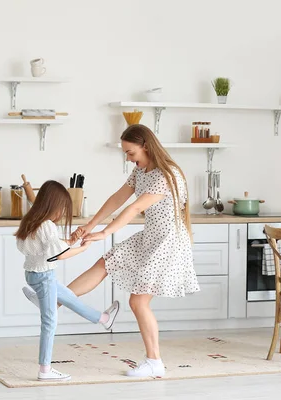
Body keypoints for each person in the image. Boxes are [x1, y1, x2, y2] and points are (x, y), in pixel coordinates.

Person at [67, 123, 200, 378]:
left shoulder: (165, 174)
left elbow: (134, 208)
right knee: (105, 263)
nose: (128, 159)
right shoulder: (142, 172)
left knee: (138, 300)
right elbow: (118, 198)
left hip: (168, 242)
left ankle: (154, 362)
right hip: (150, 237)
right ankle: (56, 298)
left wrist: (106, 233)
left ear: (146, 147)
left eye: (131, 153)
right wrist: (90, 225)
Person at [15, 180, 120, 381]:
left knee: (70, 297)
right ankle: (44, 370)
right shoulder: (47, 225)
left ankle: (103, 319)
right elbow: (58, 255)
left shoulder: (32, 219)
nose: (62, 213)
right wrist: (83, 248)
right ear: (53, 205)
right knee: (50, 322)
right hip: (44, 277)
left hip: (33, 274)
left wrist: (71, 241)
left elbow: (49, 247)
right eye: (62, 208)